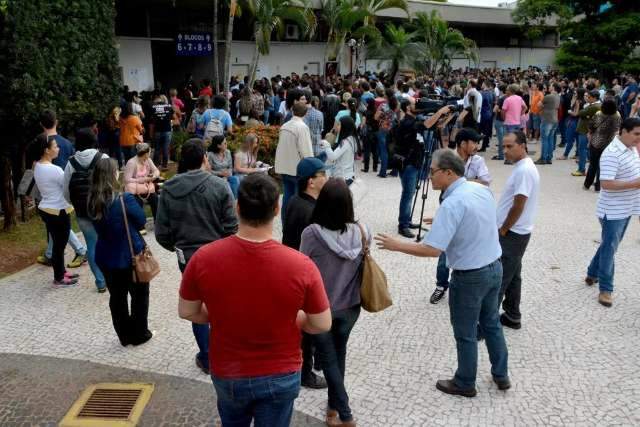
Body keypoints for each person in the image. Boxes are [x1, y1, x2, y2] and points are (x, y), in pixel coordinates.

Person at [178, 173, 332, 427]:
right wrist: (294, 316)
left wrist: (219, 313)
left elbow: (187, 311)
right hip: (280, 373)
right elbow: (322, 323)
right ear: (276, 208)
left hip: (229, 371)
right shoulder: (301, 265)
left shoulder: (204, 258)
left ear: (237, 208)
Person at [375, 149, 509, 398]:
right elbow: (474, 219)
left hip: (470, 276)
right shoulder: (479, 189)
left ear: (448, 172)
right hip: (495, 267)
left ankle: (465, 381)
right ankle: (501, 374)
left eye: (433, 172)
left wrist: (397, 245)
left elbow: (432, 250)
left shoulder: (452, 204)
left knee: (465, 332)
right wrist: (440, 221)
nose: (430, 176)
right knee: (491, 323)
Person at [156, 138, 238, 375]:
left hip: (188, 257)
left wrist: (179, 248)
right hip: (218, 256)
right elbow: (231, 226)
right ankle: (225, 352)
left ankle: (207, 356)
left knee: (197, 305)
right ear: (204, 158)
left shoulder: (169, 189)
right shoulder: (219, 186)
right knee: (221, 303)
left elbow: (162, 232)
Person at [300, 178, 370, 426]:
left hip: (322, 308)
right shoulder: (362, 231)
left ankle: (346, 415)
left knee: (329, 360)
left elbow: (301, 268)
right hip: (351, 307)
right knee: (338, 354)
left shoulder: (311, 234)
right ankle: (332, 410)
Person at [89, 158, 153, 346]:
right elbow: (141, 220)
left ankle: (124, 336)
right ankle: (140, 334)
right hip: (129, 255)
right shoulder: (123, 199)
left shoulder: (92, 201)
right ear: (112, 174)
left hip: (105, 256)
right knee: (140, 295)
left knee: (117, 298)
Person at [430, 128, 493, 304]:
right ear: (463, 143)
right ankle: (441, 285)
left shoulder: (478, 160)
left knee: (462, 241)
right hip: (449, 202)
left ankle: (459, 279)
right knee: (443, 246)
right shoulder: (448, 158)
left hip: (469, 206)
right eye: (474, 142)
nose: (477, 146)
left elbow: (486, 181)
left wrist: (461, 183)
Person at [282, 157, 329, 390]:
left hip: (292, 269)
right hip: (303, 274)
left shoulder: (293, 201)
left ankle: (313, 360)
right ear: (311, 181)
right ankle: (305, 373)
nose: (326, 178)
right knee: (307, 326)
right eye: (323, 175)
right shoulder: (311, 212)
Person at [584, 118, 640, 307]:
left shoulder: (631, 148)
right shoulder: (611, 153)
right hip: (613, 211)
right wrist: (636, 183)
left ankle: (592, 273)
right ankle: (606, 289)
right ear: (623, 131)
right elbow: (606, 183)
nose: (639, 138)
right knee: (610, 248)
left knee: (610, 244)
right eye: (636, 134)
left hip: (626, 207)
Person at [496, 131, 540, 330]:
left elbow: (518, 205)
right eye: (503, 146)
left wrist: (504, 228)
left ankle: (486, 324)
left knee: (498, 279)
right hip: (517, 233)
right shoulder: (523, 167)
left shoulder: (524, 171)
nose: (505, 151)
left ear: (522, 145)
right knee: (513, 275)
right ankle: (513, 315)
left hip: (512, 234)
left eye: (509, 146)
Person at [64, 128, 109, 292]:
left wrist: (74, 203)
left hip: (83, 210)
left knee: (92, 244)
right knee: (109, 241)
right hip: (103, 207)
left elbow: (66, 190)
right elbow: (112, 182)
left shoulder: (71, 162)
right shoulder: (103, 158)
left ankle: (100, 281)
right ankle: (112, 277)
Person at [33, 134, 80, 287]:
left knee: (58, 244)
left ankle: (61, 271)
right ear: (47, 150)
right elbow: (67, 186)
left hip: (47, 208)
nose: (58, 148)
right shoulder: (54, 169)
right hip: (58, 210)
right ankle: (58, 278)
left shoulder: (37, 166)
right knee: (60, 246)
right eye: (55, 146)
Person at [275, 102, 314, 221]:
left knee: (287, 197)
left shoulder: (285, 126)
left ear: (292, 111)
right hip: (297, 168)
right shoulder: (302, 127)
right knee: (298, 200)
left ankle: (285, 223)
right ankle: (295, 224)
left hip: (284, 166)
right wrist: (312, 167)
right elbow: (306, 150)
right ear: (305, 113)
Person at [393, 99, 424, 239]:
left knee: (409, 193)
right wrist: (441, 111)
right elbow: (427, 125)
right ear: (407, 108)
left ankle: (407, 219)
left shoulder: (411, 120)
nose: (416, 105)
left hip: (412, 162)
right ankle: (403, 225)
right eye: (413, 104)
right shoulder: (408, 122)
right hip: (409, 164)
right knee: (407, 194)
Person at [584, 99, 622, 192]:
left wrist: (590, 135)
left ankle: (587, 184)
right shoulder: (617, 115)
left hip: (596, 141)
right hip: (610, 143)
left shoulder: (599, 114)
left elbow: (591, 126)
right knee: (603, 166)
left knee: (593, 164)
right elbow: (619, 127)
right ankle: (599, 187)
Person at [124, 143, 160, 221]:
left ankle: (157, 221)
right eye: (149, 152)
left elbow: (156, 170)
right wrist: (142, 180)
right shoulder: (131, 163)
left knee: (155, 198)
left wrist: (154, 175)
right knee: (138, 202)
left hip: (146, 188)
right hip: (135, 190)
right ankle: (140, 224)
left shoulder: (148, 160)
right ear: (146, 153)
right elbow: (127, 179)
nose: (150, 154)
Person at [320, 116, 357, 184]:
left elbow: (333, 157)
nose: (337, 126)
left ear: (345, 126)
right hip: (348, 175)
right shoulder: (352, 139)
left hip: (343, 177)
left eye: (339, 124)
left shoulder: (345, 142)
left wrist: (326, 145)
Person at [573, 90, 601, 177]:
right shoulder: (594, 105)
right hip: (586, 130)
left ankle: (581, 169)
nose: (587, 99)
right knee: (586, 151)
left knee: (582, 150)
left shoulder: (594, 106)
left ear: (594, 98)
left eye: (589, 97)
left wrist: (581, 109)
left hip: (585, 130)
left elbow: (580, 113)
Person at [535, 83, 561, 165]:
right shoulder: (558, 96)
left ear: (553, 88)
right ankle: (549, 158)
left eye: (550, 86)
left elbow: (538, 105)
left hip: (547, 119)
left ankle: (543, 158)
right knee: (550, 139)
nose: (549, 87)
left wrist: (542, 108)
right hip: (554, 119)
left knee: (545, 139)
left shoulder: (549, 96)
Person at [150, 94, 173, 170]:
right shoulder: (169, 107)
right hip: (167, 130)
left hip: (157, 130)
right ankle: (165, 165)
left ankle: (156, 165)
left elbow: (152, 120)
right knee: (165, 148)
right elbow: (172, 116)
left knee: (157, 148)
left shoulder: (153, 107)